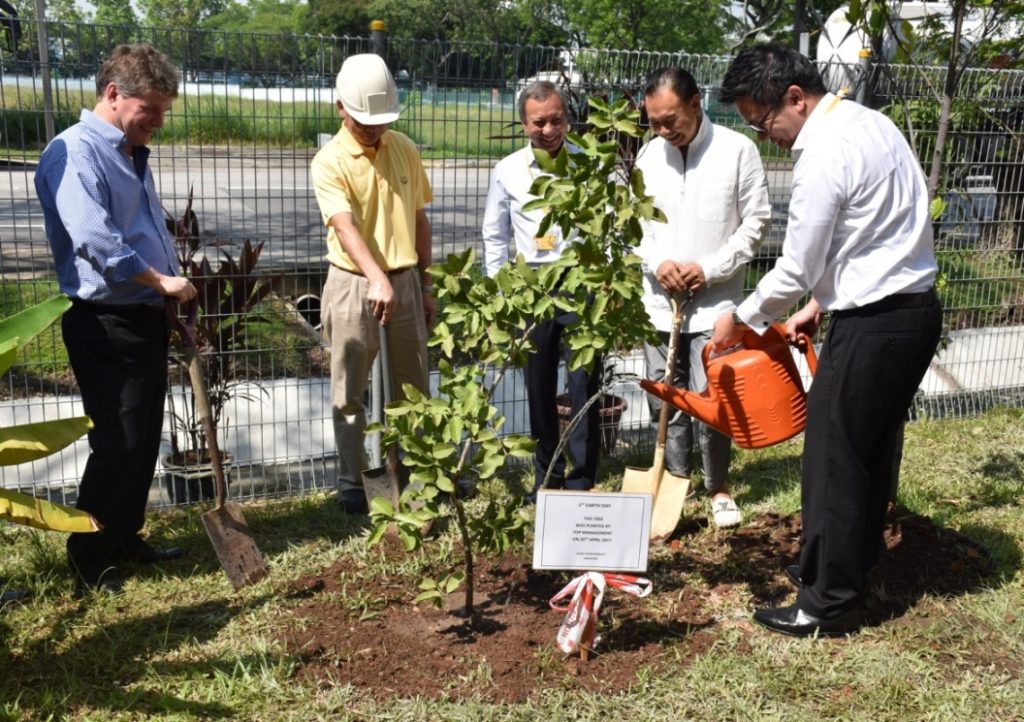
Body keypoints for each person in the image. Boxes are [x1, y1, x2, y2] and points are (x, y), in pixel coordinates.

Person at [715, 42, 942, 637]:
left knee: (833, 459)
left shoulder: (822, 153)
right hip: (913, 314)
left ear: (795, 98)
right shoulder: (873, 123)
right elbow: (878, 230)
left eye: (765, 123)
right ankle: (852, 563)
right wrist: (821, 303)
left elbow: (795, 264)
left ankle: (826, 602)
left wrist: (738, 319)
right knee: (869, 448)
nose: (768, 138)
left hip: (875, 324)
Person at [34, 43, 197, 594]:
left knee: (144, 435)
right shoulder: (74, 152)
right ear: (113, 94)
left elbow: (146, 232)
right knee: (118, 440)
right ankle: (89, 555)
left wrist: (167, 302)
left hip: (143, 315)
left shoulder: (130, 151)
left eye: (162, 111)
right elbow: (95, 239)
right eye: (150, 109)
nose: (157, 121)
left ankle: (125, 536)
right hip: (103, 319)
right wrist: (161, 282)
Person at [635, 67, 771, 528]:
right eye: (653, 121)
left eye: (670, 118)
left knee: (714, 400)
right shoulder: (650, 156)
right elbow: (634, 226)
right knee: (665, 397)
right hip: (659, 300)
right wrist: (658, 263)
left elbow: (756, 225)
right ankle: (677, 476)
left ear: (696, 104)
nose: (662, 130)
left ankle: (719, 487)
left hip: (715, 305)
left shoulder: (738, 151)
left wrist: (708, 269)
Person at [311, 54, 435, 513]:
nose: (373, 129)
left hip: (402, 282)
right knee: (350, 390)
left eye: (380, 121)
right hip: (351, 285)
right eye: (364, 120)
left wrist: (424, 284)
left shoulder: (403, 147)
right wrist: (375, 277)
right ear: (339, 107)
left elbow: (419, 219)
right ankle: (352, 480)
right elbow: (343, 226)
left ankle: (417, 473)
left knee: (414, 387)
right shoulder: (330, 161)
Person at [481, 80, 601, 500]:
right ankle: (546, 477)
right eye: (539, 122)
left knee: (585, 380)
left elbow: (602, 227)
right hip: (532, 289)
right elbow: (494, 236)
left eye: (556, 119)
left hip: (579, 284)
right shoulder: (508, 171)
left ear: (566, 118)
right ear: (523, 124)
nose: (549, 129)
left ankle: (583, 475)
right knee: (538, 383)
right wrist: (501, 291)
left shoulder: (586, 162)